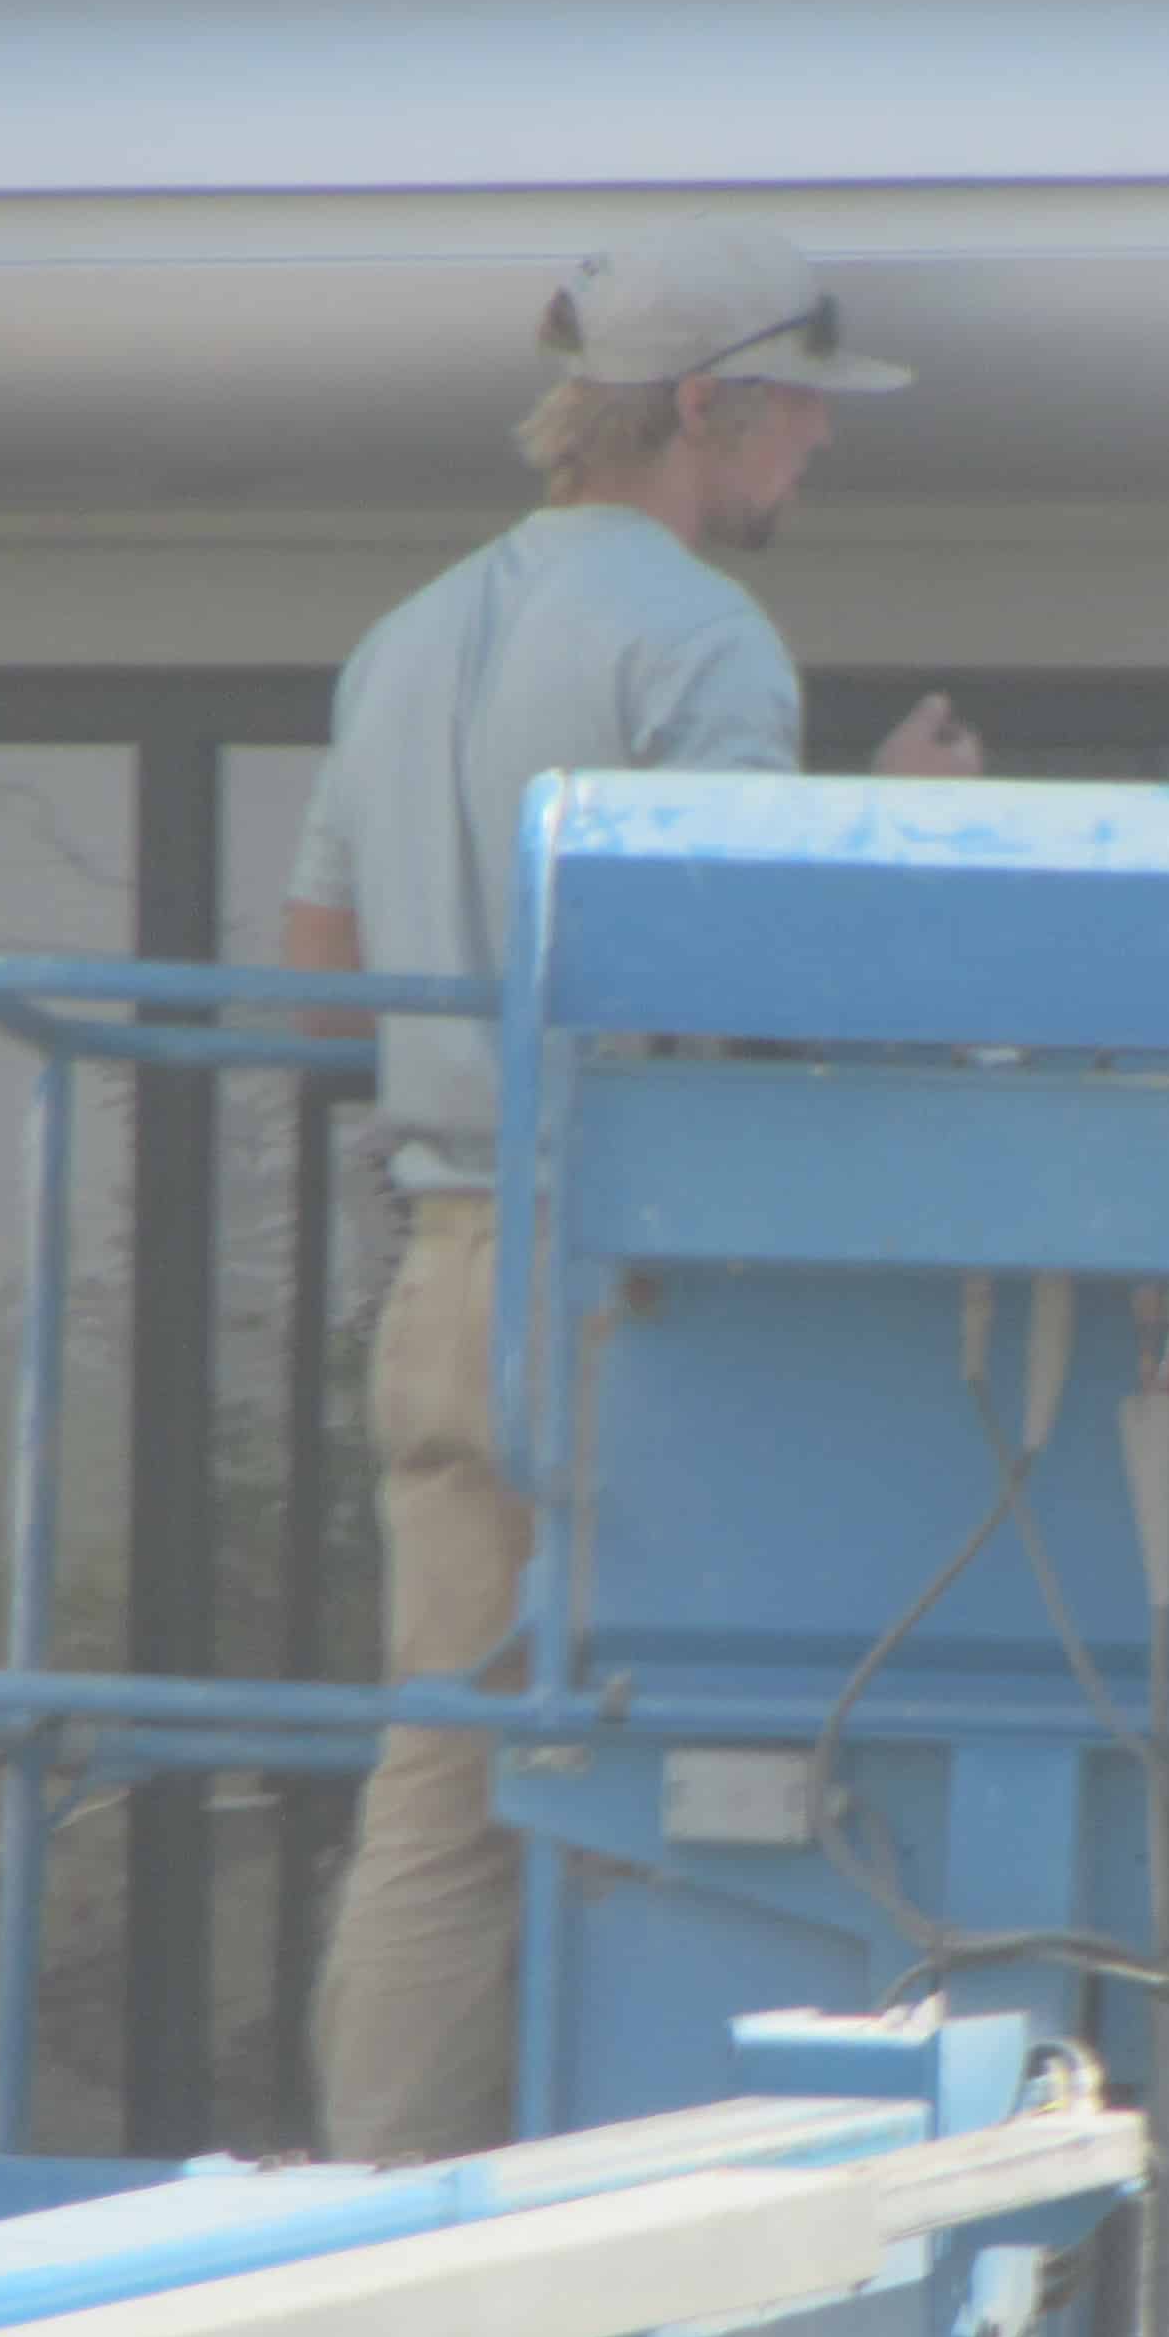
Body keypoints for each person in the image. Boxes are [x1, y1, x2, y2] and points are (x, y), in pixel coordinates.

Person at [280, 217, 984, 2164]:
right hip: (620, 1282)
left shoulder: (398, 641)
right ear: (707, 408)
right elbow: (724, 984)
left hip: (442, 1265)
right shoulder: (698, 640)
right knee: (729, 1757)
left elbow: (319, 977)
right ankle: (693, 2221)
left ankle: (373, 2222)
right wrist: (890, 823)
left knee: (446, 1784)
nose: (816, 453)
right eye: (800, 417)